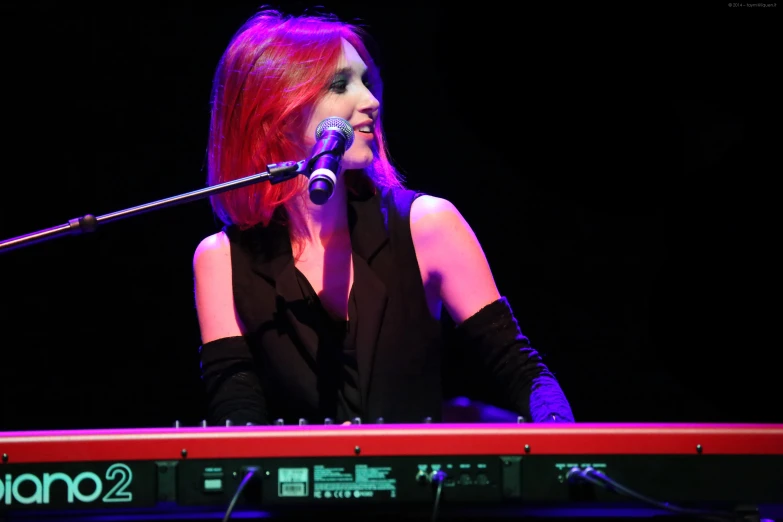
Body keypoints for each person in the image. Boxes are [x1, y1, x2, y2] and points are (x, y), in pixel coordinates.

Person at [193, 7, 574, 426]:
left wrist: (560, 450)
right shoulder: (221, 259)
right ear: (274, 119)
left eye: (366, 81)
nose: (371, 101)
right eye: (340, 85)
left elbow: (520, 370)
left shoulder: (427, 224)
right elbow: (236, 417)